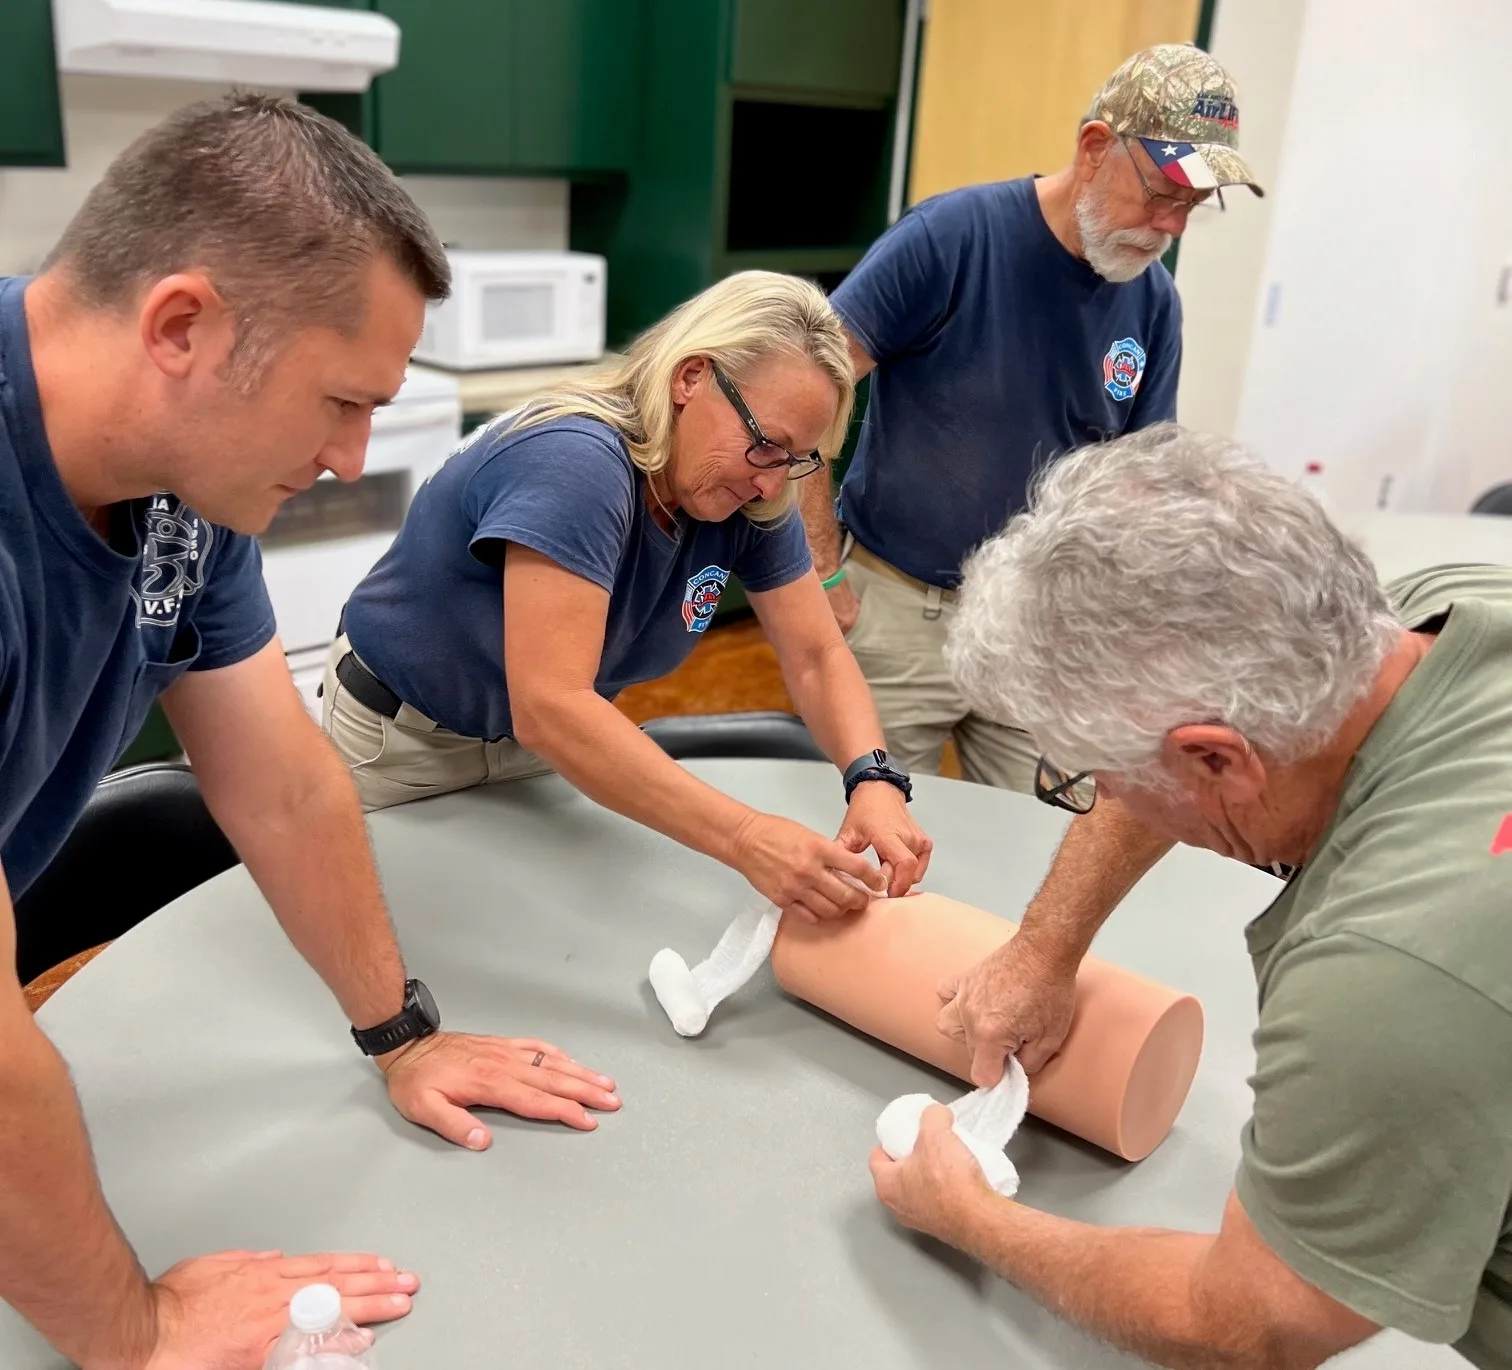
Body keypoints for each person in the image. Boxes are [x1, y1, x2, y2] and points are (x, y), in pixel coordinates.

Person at [0, 95, 622, 1370]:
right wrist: (136, 1326)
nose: (351, 457)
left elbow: (281, 783)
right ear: (183, 326)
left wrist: (404, 1033)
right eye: (340, 401)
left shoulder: (183, 485)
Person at [871, 424, 1512, 1369]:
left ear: (1217, 759)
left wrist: (969, 1217)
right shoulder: (1437, 613)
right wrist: (1047, 946)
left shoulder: (1386, 973)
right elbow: (1185, 758)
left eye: (1095, 775)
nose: (1101, 799)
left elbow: (1249, 1323)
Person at [323, 272, 933, 921]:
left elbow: (815, 653)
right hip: (405, 746)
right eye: (765, 445)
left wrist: (874, 777)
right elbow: (552, 706)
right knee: (414, 939)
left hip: (534, 753)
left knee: (531, 929)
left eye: (796, 460)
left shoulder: (753, 491)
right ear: (690, 378)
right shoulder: (578, 463)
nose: (769, 482)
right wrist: (748, 838)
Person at [801, 43, 1261, 793]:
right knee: (870, 848)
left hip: (1043, 632)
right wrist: (820, 573)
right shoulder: (949, 238)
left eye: (1192, 205)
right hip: (895, 611)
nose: (1171, 225)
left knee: (1046, 849)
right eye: (1162, 192)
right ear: (1094, 148)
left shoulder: (1153, 304)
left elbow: (1141, 487)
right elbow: (801, 400)